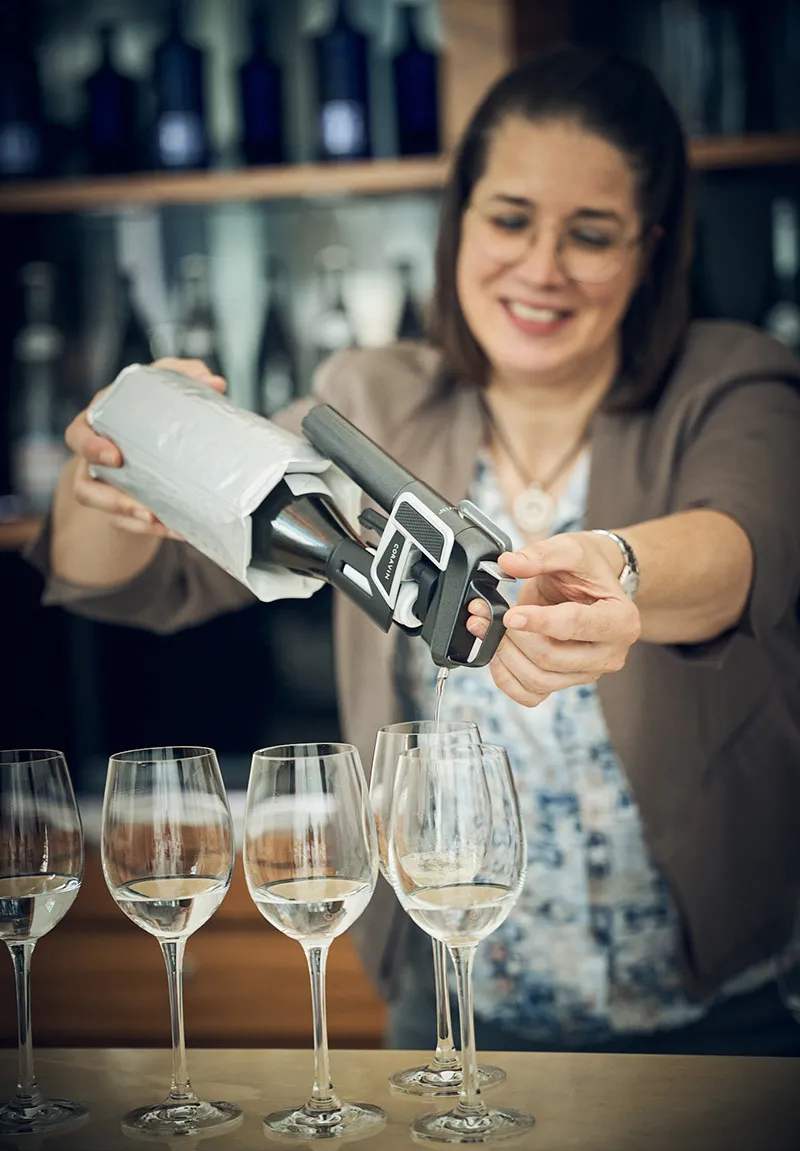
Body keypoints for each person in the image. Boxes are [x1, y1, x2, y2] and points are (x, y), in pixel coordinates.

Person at [27, 47, 800, 1056]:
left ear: (648, 249)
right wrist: (109, 470)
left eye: (591, 234)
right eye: (509, 218)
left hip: (717, 1022)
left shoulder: (734, 375)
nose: (540, 267)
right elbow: (136, 576)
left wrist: (621, 567)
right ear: (460, 223)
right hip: (445, 1016)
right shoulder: (373, 398)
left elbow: (746, 541)